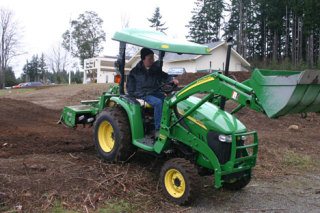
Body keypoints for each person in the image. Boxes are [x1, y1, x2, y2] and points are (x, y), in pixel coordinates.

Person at [126, 47, 179, 134]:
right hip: (142, 94)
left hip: (154, 91)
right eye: (150, 58)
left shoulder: (154, 69)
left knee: (169, 100)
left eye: (153, 58)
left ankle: (170, 122)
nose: (152, 60)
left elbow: (165, 76)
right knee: (158, 102)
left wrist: (172, 79)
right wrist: (135, 97)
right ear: (143, 59)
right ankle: (158, 128)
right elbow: (130, 89)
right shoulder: (135, 72)